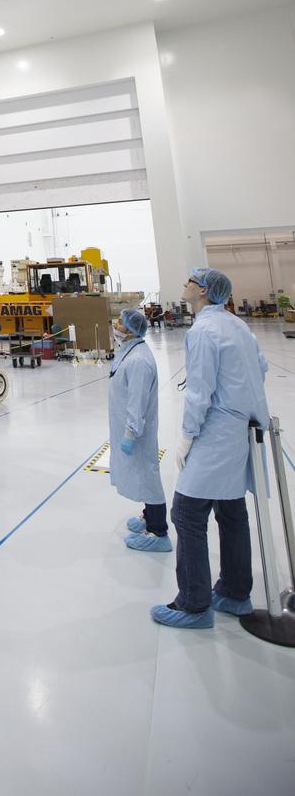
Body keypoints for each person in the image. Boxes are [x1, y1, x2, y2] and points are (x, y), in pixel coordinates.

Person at [150, 267, 270, 629]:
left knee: (187, 513)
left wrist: (187, 435)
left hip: (215, 431)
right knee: (231, 510)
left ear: (202, 291)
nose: (184, 285)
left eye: (190, 281)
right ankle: (235, 593)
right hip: (239, 428)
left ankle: (193, 605)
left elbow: (200, 391)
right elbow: (261, 368)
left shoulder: (203, 331)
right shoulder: (236, 325)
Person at [109, 308, 171, 552]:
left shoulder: (138, 361)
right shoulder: (130, 352)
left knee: (148, 477)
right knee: (142, 476)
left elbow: (137, 402)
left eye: (120, 323)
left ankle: (158, 532)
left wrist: (130, 434)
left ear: (132, 330)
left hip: (137, 433)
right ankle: (149, 516)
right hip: (128, 428)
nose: (116, 326)